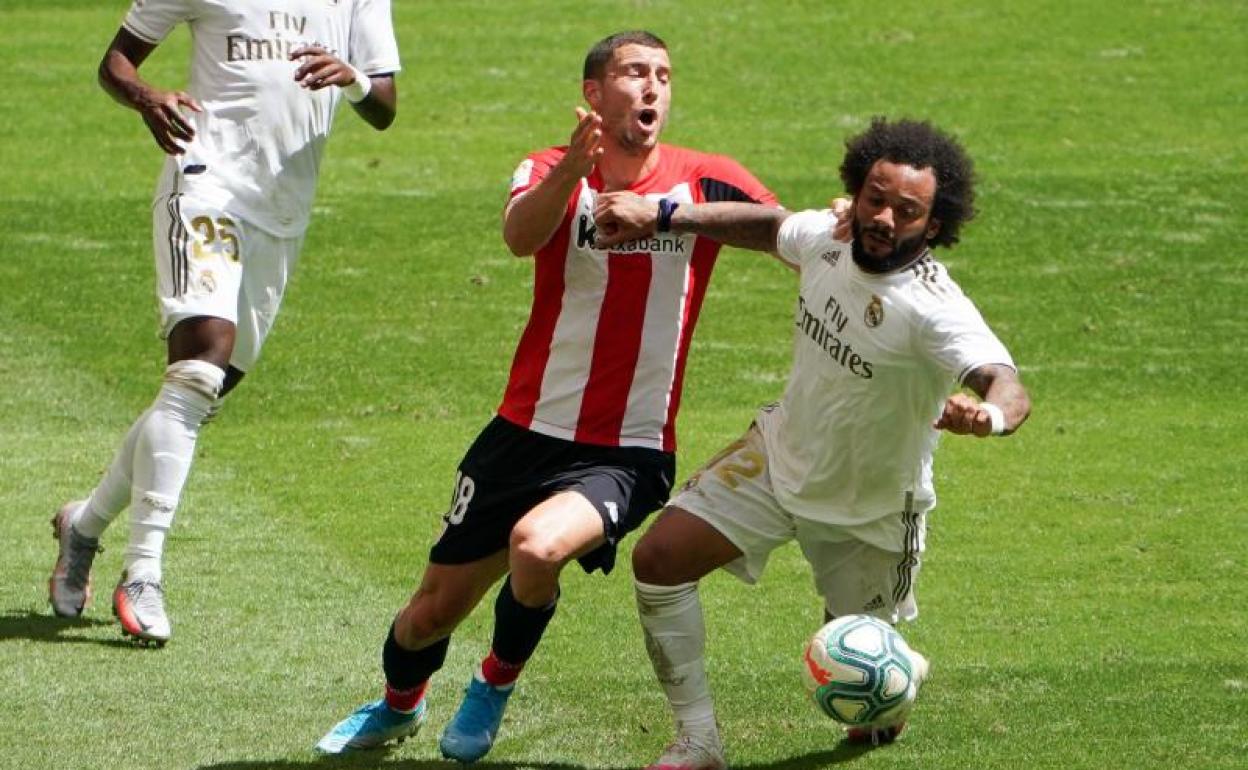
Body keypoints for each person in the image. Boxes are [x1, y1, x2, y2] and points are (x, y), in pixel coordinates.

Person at [315, 30, 780, 761]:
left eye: (663, 74)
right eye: (634, 73)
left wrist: (668, 217)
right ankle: (398, 706)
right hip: (523, 432)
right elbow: (520, 236)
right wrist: (576, 170)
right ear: (596, 93)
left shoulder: (703, 179)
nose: (652, 87)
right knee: (426, 617)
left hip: (627, 448)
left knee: (538, 549)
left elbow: (784, 231)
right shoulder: (549, 167)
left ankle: (493, 684)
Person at [592, 116, 1032, 770]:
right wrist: (663, 216)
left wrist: (989, 418)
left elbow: (1005, 381)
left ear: (932, 227)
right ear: (856, 190)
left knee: (869, 704)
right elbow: (768, 227)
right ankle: (698, 740)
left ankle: (892, 668)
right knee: (657, 560)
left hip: (871, 509)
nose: (883, 217)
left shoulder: (934, 308)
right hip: (776, 460)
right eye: (875, 198)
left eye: (905, 211)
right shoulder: (828, 236)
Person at [46, 0, 400, 646]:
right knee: (199, 367)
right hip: (205, 183)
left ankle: (85, 525)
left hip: (282, 211)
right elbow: (115, 63)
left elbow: (383, 104)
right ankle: (143, 572)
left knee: (200, 393)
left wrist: (349, 77)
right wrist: (147, 98)